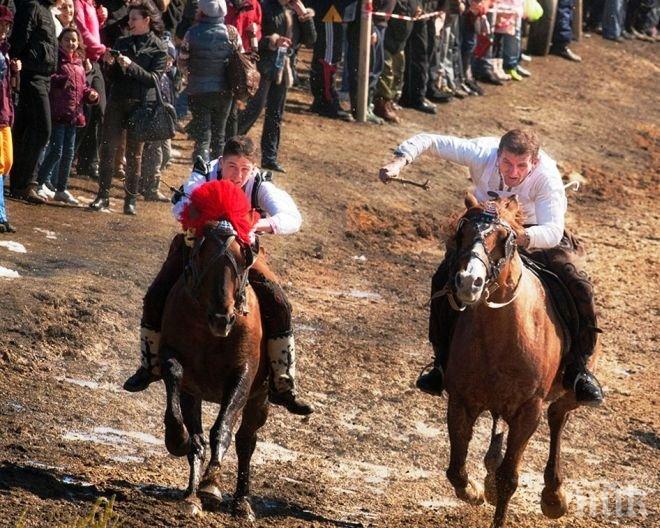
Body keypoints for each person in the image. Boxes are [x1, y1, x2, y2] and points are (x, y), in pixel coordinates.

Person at [378, 128, 603, 406]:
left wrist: (520, 237)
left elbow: (554, 231)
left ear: (534, 162)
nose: (513, 172)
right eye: (507, 163)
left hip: (532, 235)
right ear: (498, 155)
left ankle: (579, 370)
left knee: (578, 283)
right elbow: (430, 140)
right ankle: (440, 362)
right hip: (484, 232)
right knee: (442, 278)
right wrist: (399, 161)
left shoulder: (548, 178)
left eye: (522, 166)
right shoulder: (481, 152)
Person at [123, 135, 314, 416]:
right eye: (232, 167)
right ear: (221, 162)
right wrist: (208, 221)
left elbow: (292, 217)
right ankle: (149, 364)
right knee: (156, 293)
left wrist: (256, 225)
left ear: (254, 167)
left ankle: (283, 381)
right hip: (197, 248)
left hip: (241, 254)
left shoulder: (260, 184)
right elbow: (180, 206)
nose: (238, 175)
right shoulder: (204, 174)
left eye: (245, 169)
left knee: (280, 301)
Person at [89, 0, 167, 215]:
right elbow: (112, 77)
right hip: (118, 101)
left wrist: (131, 66)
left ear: (146, 20)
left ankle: (130, 200)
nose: (130, 22)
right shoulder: (122, 42)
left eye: (134, 19)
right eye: (129, 18)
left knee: (134, 155)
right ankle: (102, 196)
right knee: (107, 149)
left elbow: (153, 79)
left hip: (141, 105)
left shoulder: (158, 47)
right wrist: (109, 64)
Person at [237, 0, 316, 173]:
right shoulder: (265, 6)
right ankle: (230, 145)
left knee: (275, 113)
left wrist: (304, 16)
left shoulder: (295, 10)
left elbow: (311, 40)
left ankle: (270, 157)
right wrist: (273, 41)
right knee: (254, 109)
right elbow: (253, 35)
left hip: (284, 67)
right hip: (264, 65)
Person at [36, 27, 99, 205]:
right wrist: (61, 80)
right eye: (67, 40)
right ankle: (39, 182)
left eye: (74, 40)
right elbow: (50, 79)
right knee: (56, 151)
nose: (71, 43)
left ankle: (61, 188)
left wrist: (91, 94)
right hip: (58, 113)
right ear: (60, 41)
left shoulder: (79, 64)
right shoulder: (57, 60)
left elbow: (83, 88)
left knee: (69, 153)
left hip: (74, 115)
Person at [9, 0, 58, 204]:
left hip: (44, 75)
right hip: (31, 74)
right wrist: (17, 65)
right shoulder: (31, 6)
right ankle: (25, 182)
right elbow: (20, 37)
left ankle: (20, 183)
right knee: (41, 128)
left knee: (27, 128)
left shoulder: (46, 9)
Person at [177, 0, 233, 162]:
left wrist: (188, 74)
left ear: (201, 11)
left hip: (198, 89)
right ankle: (219, 172)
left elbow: (182, 60)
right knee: (219, 135)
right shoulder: (231, 33)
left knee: (202, 136)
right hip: (224, 90)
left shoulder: (192, 33)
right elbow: (240, 58)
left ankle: (201, 171)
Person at [0, 5, 17, 233]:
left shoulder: (5, 49)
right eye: (1, 24)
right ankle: (1, 215)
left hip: (4, 112)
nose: (4, 29)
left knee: (7, 162)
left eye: (7, 25)